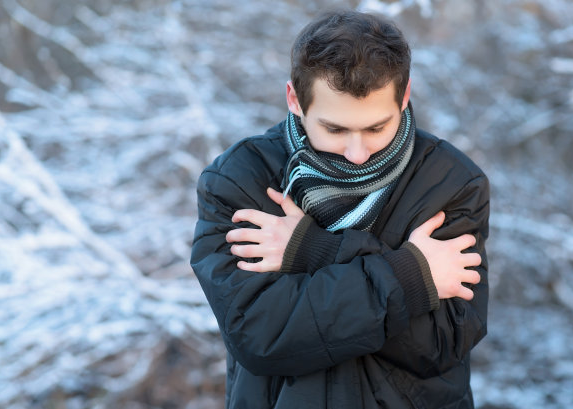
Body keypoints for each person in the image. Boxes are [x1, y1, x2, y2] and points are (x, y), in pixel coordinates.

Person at [191, 9, 489, 409]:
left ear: (404, 96)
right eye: (335, 129)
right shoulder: (239, 180)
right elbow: (260, 337)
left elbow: (444, 341)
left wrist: (315, 251)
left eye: (376, 128)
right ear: (295, 99)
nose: (358, 153)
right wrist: (411, 277)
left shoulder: (450, 182)